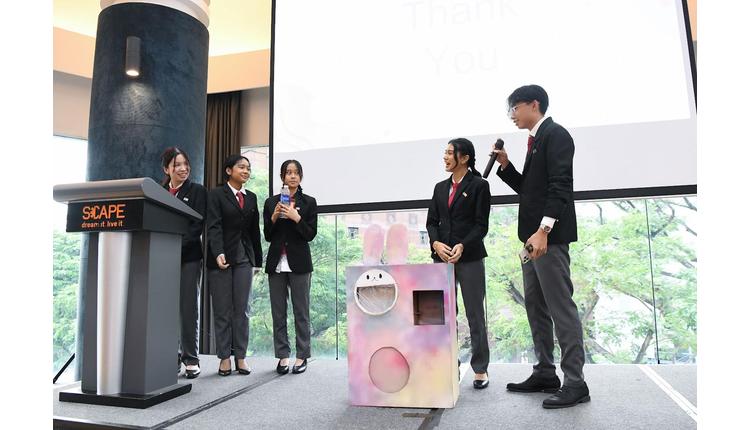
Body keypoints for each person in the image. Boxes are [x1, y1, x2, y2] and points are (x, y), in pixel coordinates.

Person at [493, 84, 589, 408]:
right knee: (535, 307)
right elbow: (530, 190)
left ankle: (575, 383)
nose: (512, 115)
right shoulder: (536, 141)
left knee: (561, 308)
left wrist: (544, 230)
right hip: (532, 240)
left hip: (548, 239)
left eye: (514, 108)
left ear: (533, 104)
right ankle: (546, 372)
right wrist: (506, 166)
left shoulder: (556, 135)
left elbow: (561, 185)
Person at [426, 137, 491, 389]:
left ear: (464, 158)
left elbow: (481, 226)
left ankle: (480, 369)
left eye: (450, 153)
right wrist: (435, 244)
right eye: (445, 152)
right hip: (441, 258)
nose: (445, 157)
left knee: (475, 314)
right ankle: (447, 364)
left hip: (470, 257)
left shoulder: (479, 186)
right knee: (443, 315)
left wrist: (462, 245)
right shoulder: (439, 188)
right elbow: (432, 222)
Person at [206, 154, 262, 376]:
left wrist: (257, 261)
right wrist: (218, 252)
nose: (246, 171)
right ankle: (223, 358)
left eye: (248, 168)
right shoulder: (216, 194)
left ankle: (241, 356)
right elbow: (214, 226)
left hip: (244, 259)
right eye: (241, 167)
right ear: (229, 170)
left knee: (243, 310)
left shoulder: (251, 197)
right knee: (222, 310)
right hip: (221, 258)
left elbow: (254, 232)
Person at [263, 160, 318, 375]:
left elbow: (310, 234)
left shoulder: (309, 202)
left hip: (299, 263)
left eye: (296, 173)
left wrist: (297, 218)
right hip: (277, 262)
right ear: (282, 177)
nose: (292, 176)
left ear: (301, 176)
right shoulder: (271, 202)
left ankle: (302, 356)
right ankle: (282, 356)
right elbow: (268, 235)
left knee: (301, 312)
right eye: (288, 172)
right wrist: (275, 216)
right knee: (278, 313)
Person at [160, 147, 207, 379]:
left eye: (185, 164)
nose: (183, 168)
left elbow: (196, 226)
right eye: (177, 165)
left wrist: (175, 246)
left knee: (188, 308)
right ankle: (171, 357)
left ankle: (191, 358)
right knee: (165, 309)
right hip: (161, 258)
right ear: (166, 169)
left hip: (189, 257)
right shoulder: (158, 191)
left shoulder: (197, 191)